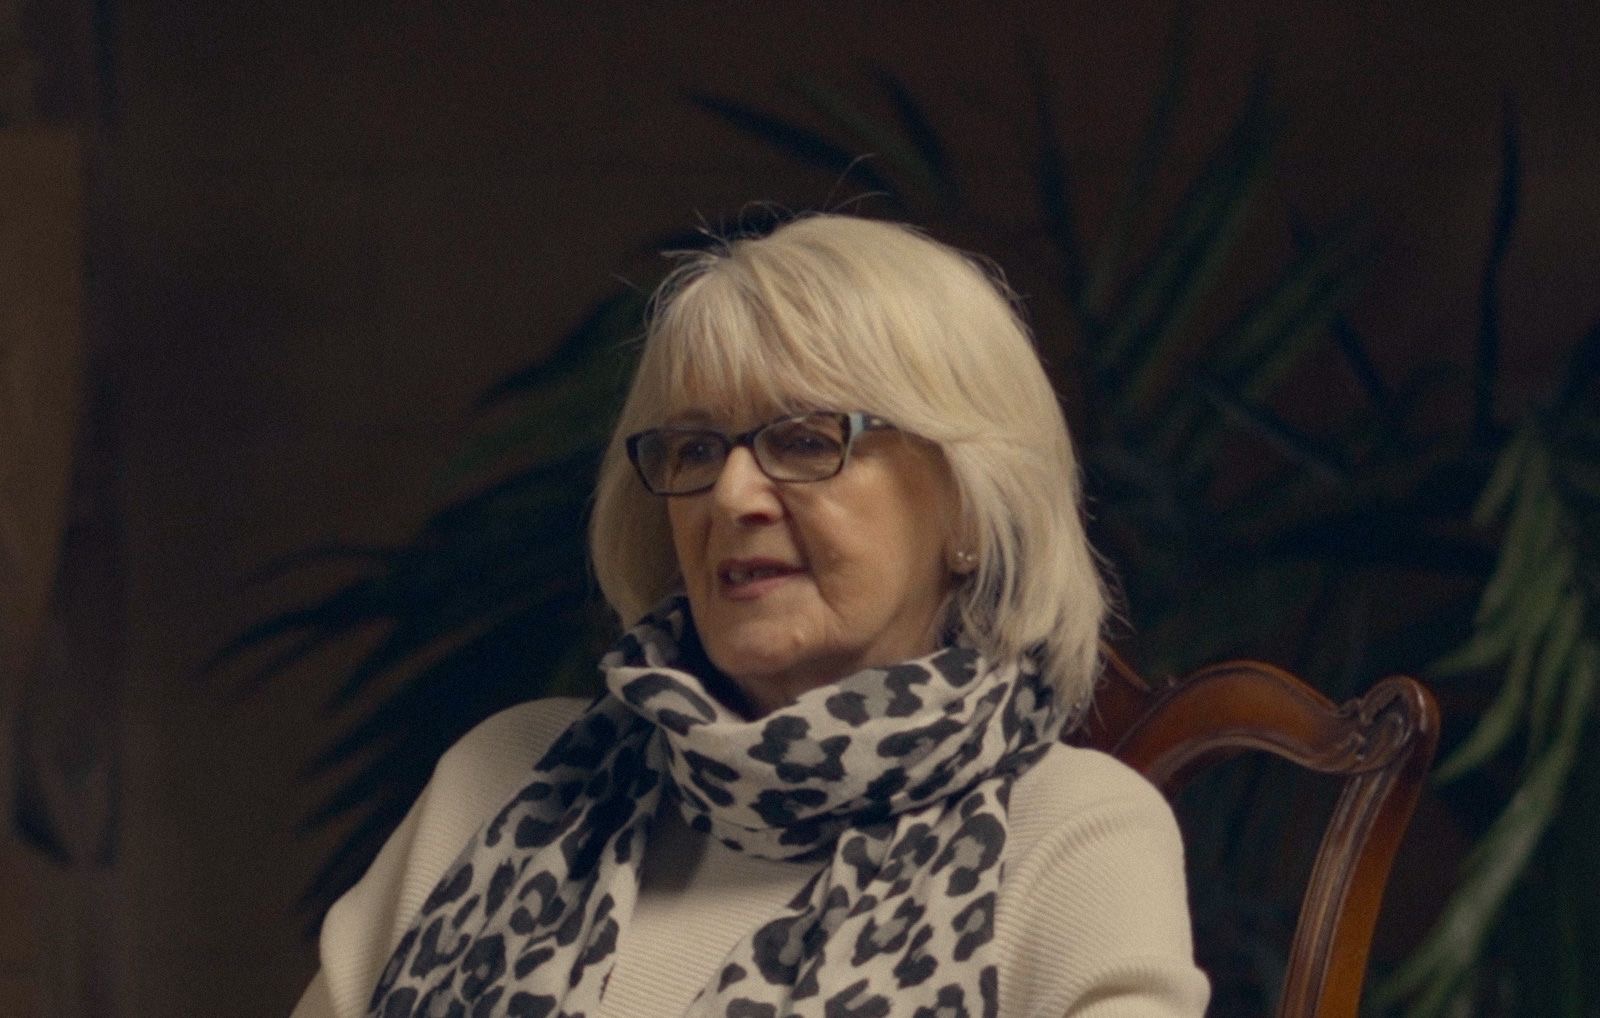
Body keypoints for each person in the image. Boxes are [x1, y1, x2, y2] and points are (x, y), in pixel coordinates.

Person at [290, 214, 1209, 1018]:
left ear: (970, 507)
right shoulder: (504, 776)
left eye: (806, 439)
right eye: (696, 448)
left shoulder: (1069, 834)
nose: (730, 496)